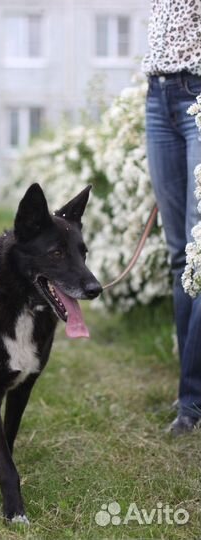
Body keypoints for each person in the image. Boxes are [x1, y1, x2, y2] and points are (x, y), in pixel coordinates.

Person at [143, 0, 201, 435]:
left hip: (197, 92)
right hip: (157, 97)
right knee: (181, 255)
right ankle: (190, 395)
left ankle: (192, 399)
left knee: (200, 252)